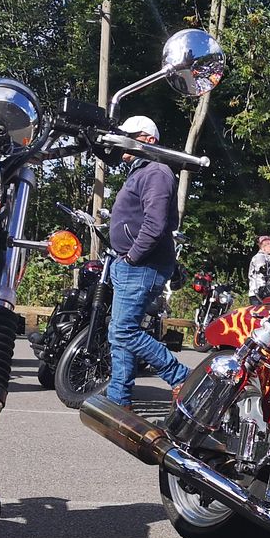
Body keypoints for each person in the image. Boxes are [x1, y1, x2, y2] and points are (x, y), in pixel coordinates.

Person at [105, 114, 189, 408]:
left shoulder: (156, 171)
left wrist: (132, 257)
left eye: (130, 137)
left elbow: (155, 225)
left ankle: (181, 377)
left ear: (149, 141)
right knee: (120, 332)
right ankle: (119, 398)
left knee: (123, 331)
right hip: (131, 264)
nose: (123, 142)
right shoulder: (140, 172)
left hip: (142, 265)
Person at [248, 234, 270, 300]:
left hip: (265, 292)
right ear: (264, 247)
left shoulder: (267, 257)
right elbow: (262, 271)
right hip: (257, 293)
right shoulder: (259, 257)